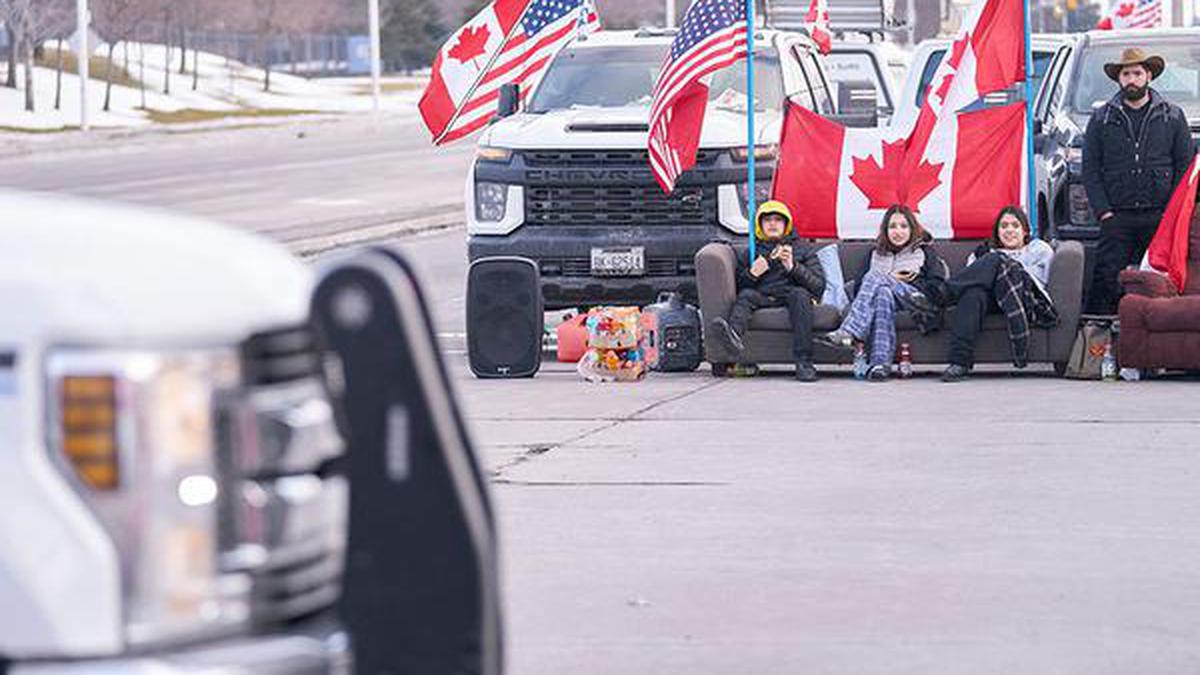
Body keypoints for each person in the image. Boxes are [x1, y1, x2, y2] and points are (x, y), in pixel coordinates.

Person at [1082, 47, 1196, 314]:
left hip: (1159, 217)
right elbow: (1090, 168)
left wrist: (1172, 212)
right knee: (1106, 281)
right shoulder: (1101, 118)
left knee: (1160, 283)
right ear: (1118, 79)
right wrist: (1104, 211)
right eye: (1126, 74)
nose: (1131, 79)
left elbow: (1184, 167)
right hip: (1117, 216)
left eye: (1137, 73)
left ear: (1148, 76)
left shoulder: (1172, 116)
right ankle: (1096, 344)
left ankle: (1159, 347)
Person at [821, 205, 946, 382]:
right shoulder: (873, 254)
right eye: (892, 226)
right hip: (888, 300)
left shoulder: (925, 252)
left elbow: (938, 288)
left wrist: (908, 280)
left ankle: (851, 330)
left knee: (876, 277)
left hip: (920, 303)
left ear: (912, 229)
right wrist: (887, 281)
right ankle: (880, 364)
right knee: (883, 294)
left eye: (904, 226)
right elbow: (859, 290)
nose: (898, 231)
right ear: (885, 231)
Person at [709, 200, 826, 382]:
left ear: (786, 224)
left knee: (800, 295)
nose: (772, 223)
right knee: (746, 296)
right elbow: (740, 285)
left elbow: (818, 286)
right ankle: (732, 337)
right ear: (760, 224)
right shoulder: (751, 250)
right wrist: (753, 273)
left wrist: (793, 267)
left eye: (778, 220)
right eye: (767, 220)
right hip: (764, 295)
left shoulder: (802, 248)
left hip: (793, 295)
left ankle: (804, 362)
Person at [941, 206, 1058, 382]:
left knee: (998, 260)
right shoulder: (982, 252)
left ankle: (942, 295)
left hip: (1025, 299)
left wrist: (1006, 266)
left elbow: (1047, 282)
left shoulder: (1039, 249)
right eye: (1004, 226)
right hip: (993, 300)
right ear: (997, 231)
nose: (1009, 230)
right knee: (973, 294)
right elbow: (970, 282)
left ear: (1025, 231)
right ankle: (959, 362)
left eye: (1015, 225)